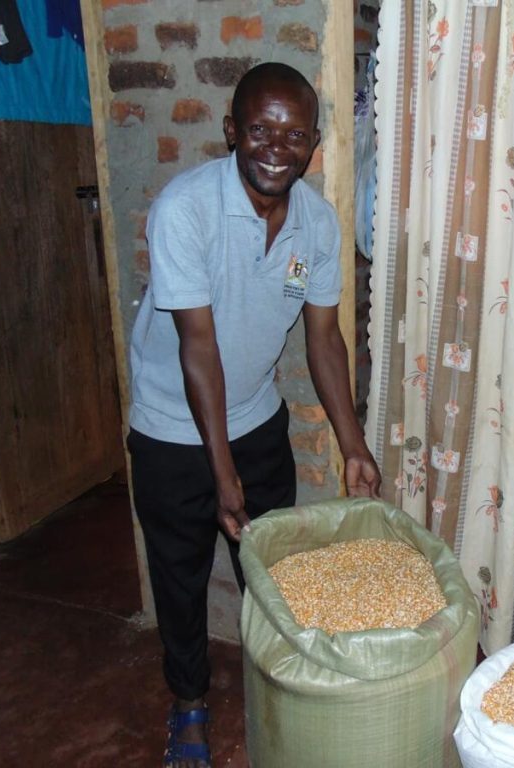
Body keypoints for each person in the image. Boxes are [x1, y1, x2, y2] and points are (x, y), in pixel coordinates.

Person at [126, 62, 381, 768]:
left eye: (294, 135)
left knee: (271, 573)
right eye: (261, 130)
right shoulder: (187, 210)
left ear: (314, 144)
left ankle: (278, 687)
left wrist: (353, 442)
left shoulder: (316, 225)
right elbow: (197, 347)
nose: (277, 147)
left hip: (257, 420)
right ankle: (189, 705)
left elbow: (322, 337)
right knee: (178, 578)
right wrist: (221, 475)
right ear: (232, 130)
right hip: (173, 432)